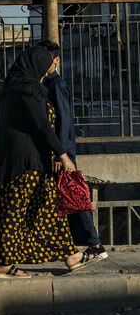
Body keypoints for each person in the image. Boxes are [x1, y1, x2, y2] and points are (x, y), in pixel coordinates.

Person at [0, 46, 95, 278]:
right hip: (28, 164)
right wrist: (62, 154)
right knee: (16, 214)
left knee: (46, 210)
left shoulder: (8, 90)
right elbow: (42, 126)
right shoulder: (30, 90)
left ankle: (71, 256)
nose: (50, 67)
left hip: (18, 162)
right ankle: (4, 265)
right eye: (48, 62)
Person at [38, 40, 108, 264]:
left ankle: (95, 243)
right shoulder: (46, 83)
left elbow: (64, 121)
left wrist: (62, 154)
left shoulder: (56, 84)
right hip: (59, 151)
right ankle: (84, 244)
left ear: (56, 60)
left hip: (62, 153)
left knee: (73, 197)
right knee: (67, 198)